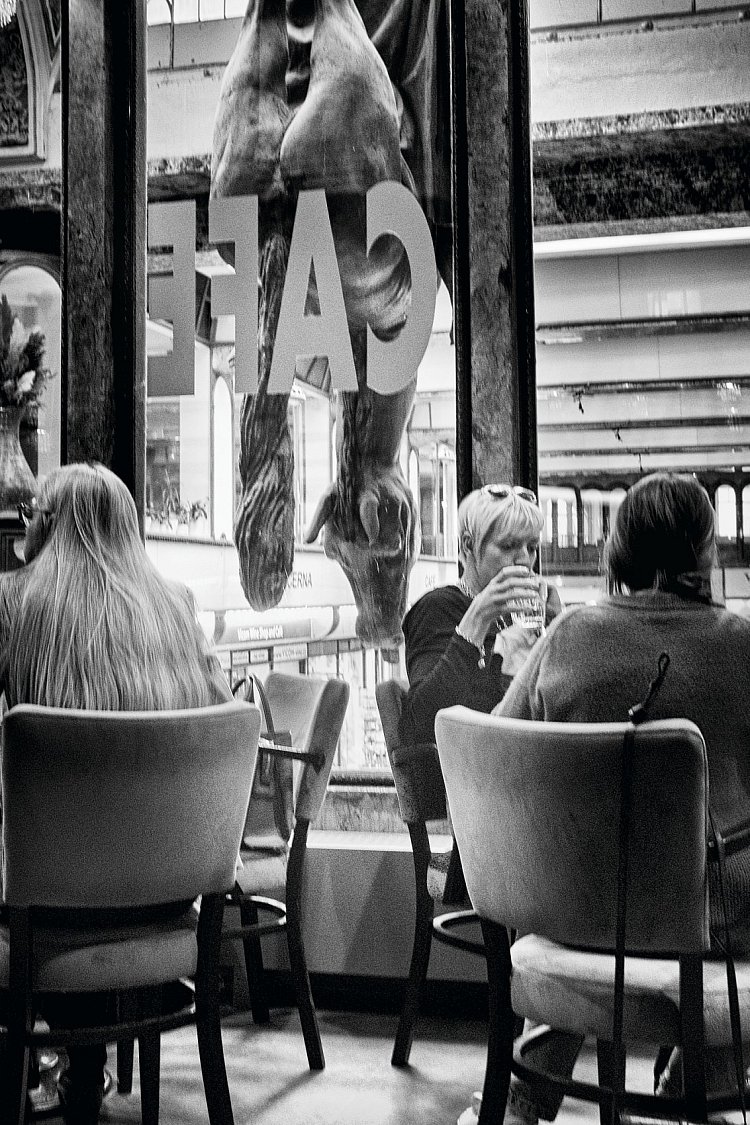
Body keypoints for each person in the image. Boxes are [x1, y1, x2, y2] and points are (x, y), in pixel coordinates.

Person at [494, 472, 750, 1125]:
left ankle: (525, 1099)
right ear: (705, 551)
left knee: (594, 892)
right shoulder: (740, 644)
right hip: (709, 919)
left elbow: (498, 753)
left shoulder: (568, 634)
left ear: (619, 548)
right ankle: (695, 1091)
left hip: (574, 911)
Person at [0, 463, 232, 1125]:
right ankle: (81, 1068)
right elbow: (223, 715)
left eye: (31, 516)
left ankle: (26, 1068)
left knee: (33, 868)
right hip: (168, 892)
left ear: (44, 525)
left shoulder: (12, 601)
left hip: (51, 898)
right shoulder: (177, 605)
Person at [401, 483, 560, 751]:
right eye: (508, 546)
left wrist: (557, 631)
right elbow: (421, 724)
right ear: (469, 545)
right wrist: (478, 618)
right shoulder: (438, 607)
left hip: (531, 754)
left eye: (532, 547)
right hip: (474, 765)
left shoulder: (527, 612)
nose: (524, 559)